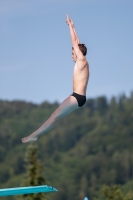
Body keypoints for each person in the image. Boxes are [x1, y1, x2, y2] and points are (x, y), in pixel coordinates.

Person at [21, 14, 90, 143]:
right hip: (79, 98)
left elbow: (74, 42)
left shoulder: (82, 61)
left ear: (78, 54)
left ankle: (34, 135)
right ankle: (35, 135)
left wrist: (70, 26)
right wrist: (74, 27)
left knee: (54, 116)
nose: (71, 56)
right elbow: (78, 42)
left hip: (76, 97)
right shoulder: (83, 62)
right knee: (56, 117)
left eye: (72, 53)